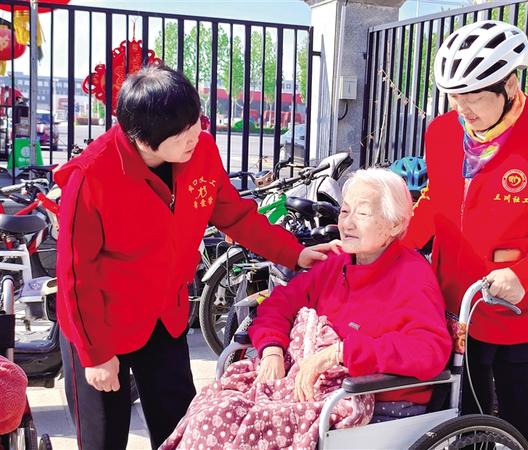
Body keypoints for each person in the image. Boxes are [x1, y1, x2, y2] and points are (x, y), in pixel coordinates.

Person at [54, 64, 332, 450]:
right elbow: (75, 276)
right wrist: (95, 354)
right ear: (143, 139)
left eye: (196, 122)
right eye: (183, 132)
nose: (196, 135)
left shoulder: (201, 152)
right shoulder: (92, 176)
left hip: (163, 317)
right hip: (102, 323)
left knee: (183, 428)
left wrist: (295, 253)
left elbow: (236, 216)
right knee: (103, 438)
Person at [403, 20, 528, 449]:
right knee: (465, 429)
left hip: (521, 312)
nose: (463, 109)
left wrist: (527, 273)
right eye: (454, 97)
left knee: (524, 430)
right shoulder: (441, 132)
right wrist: (393, 247)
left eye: (474, 97)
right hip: (454, 309)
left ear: (510, 85)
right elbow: (435, 201)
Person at [159, 168, 452, 449]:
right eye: (345, 211)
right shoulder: (337, 262)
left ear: (395, 224)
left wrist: (340, 353)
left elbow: (429, 350)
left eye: (362, 214)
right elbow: (279, 303)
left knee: (239, 427)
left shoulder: (412, 277)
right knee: (212, 411)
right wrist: (272, 348)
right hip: (309, 386)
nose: (347, 223)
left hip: (373, 399)